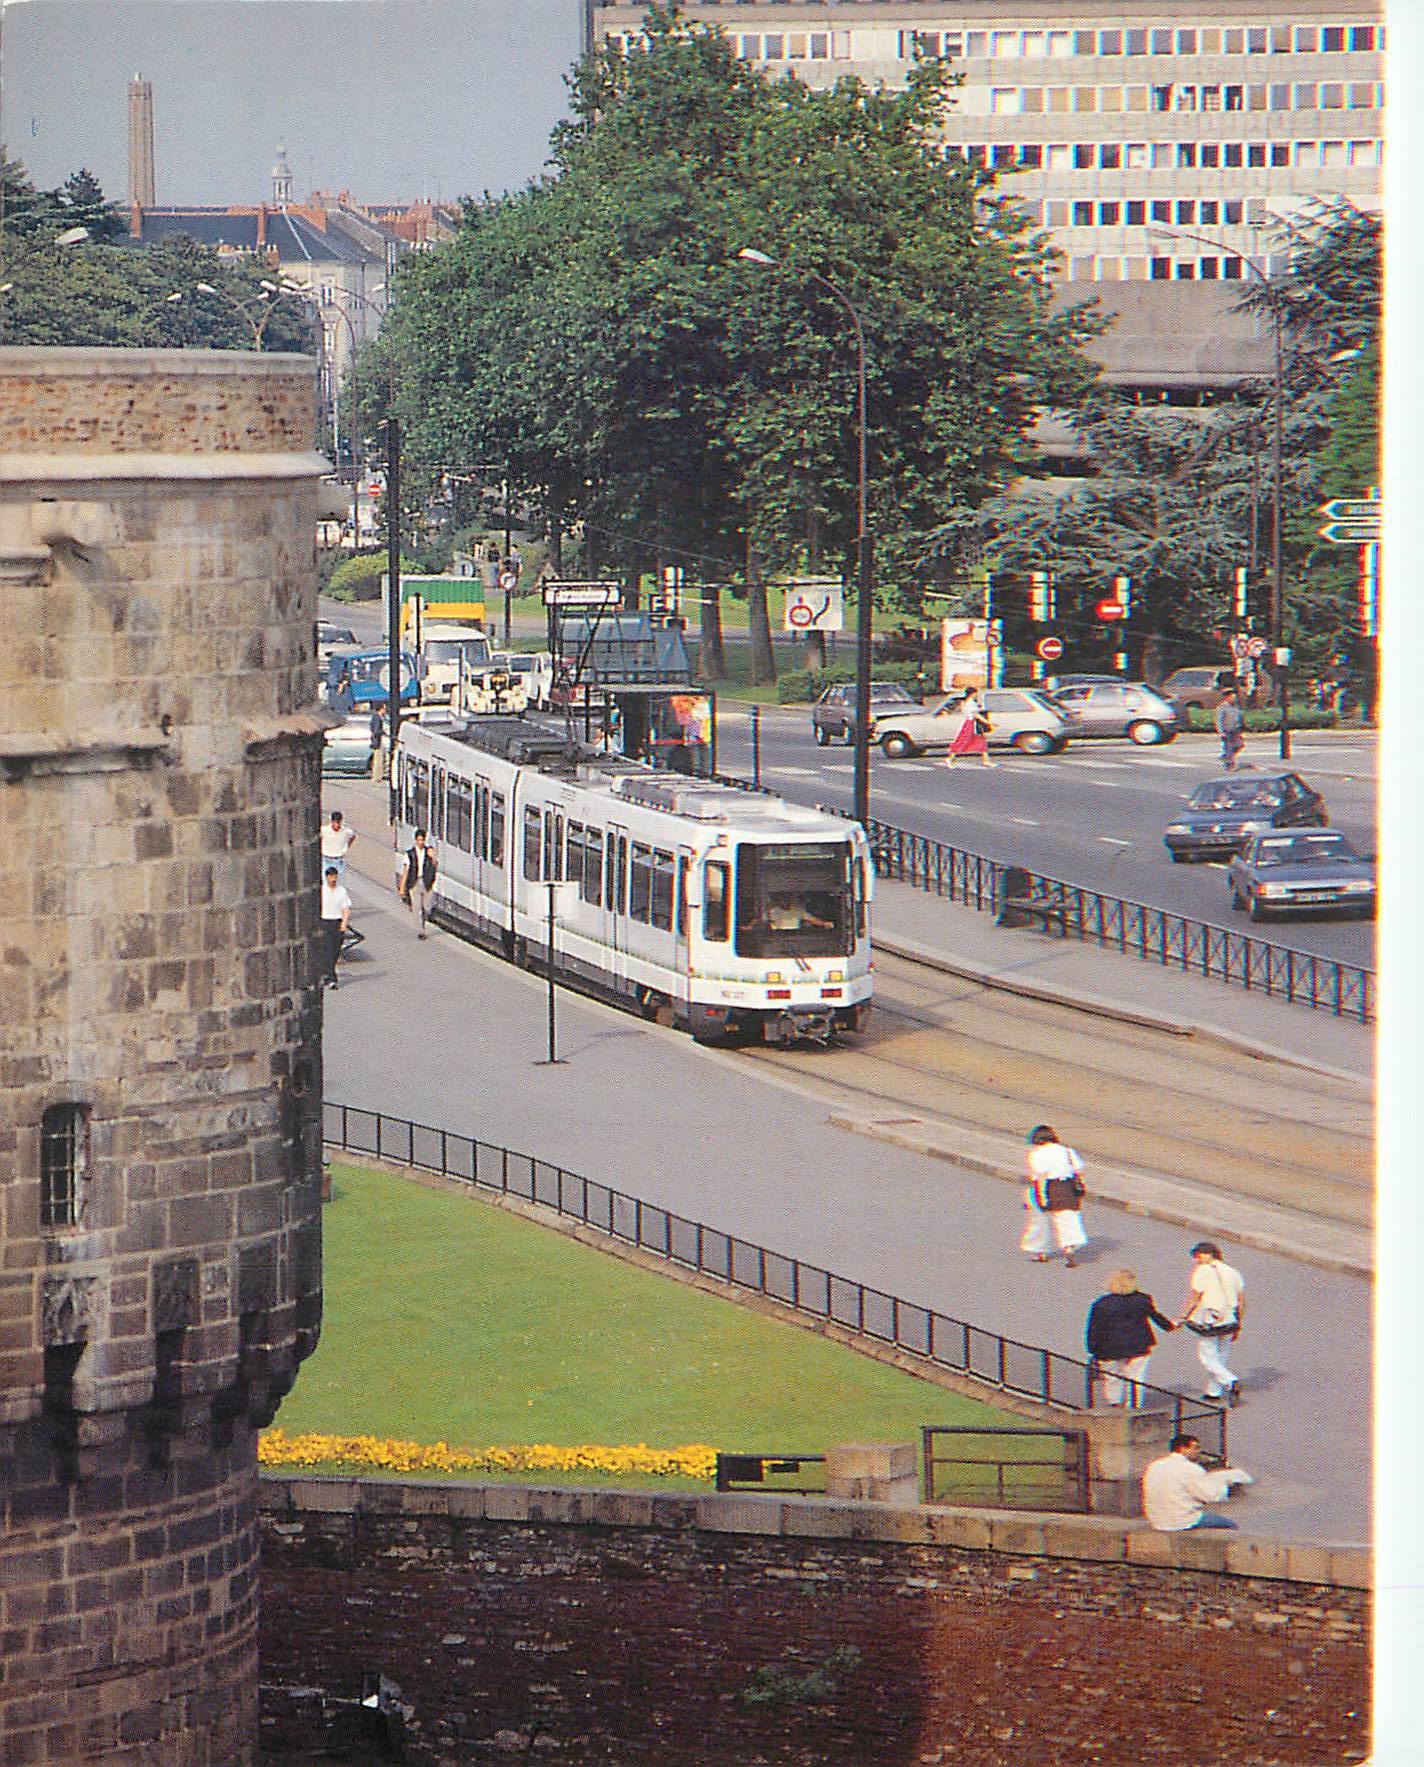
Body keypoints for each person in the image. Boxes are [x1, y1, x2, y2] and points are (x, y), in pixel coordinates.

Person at [1085, 1270, 1177, 1406]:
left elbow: (1094, 1329)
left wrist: (1093, 1350)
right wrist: (1170, 1326)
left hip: (1110, 1347)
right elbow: (1156, 1317)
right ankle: (1134, 1405)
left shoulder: (1102, 1304)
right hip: (1138, 1344)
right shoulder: (1142, 1299)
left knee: (1112, 1377)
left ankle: (1114, 1403)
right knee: (1136, 1378)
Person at [1177, 1241, 1246, 1406]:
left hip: (1210, 1320)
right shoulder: (1233, 1272)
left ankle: (1230, 1381)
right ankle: (1213, 1391)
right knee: (1221, 1356)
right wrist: (1239, 1322)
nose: (1197, 1261)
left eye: (1198, 1257)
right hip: (1230, 1319)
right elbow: (1241, 1300)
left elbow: (1194, 1296)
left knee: (1207, 1356)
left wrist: (1182, 1316)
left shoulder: (1203, 1271)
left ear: (1207, 1254)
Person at [1142, 1433, 1253, 1532]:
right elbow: (1209, 1495)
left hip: (1156, 1520)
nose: (1198, 1451)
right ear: (1182, 1449)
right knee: (1230, 1525)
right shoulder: (1190, 1468)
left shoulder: (1155, 1465)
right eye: (1195, 1448)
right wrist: (1225, 1485)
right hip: (1180, 1520)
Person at [1020, 1124, 1088, 1267]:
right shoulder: (1067, 1151)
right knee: (1067, 1218)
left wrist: (1042, 1197)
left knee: (1039, 1220)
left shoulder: (1036, 1154)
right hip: (1065, 1188)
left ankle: (1039, 1250)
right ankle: (1069, 1246)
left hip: (1043, 1188)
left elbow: (1038, 1175)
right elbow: (1079, 1168)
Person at [399, 829, 439, 938]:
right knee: (416, 908)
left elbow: (435, 865)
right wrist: (402, 888)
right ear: (416, 840)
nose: (421, 842)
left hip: (427, 882)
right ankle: (421, 931)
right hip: (414, 882)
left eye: (423, 840)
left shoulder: (429, 852)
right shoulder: (410, 854)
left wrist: (433, 857)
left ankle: (424, 923)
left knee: (427, 908)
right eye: (419, 840)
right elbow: (406, 871)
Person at [319, 865, 352, 989]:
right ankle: (332, 978)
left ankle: (326, 973)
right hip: (325, 921)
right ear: (327, 877)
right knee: (327, 950)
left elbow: (346, 908)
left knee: (335, 951)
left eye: (335, 876)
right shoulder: (322, 890)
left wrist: (344, 923)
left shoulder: (341, 890)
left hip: (337, 922)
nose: (333, 879)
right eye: (331, 877)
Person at [944, 689, 994, 769]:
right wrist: (988, 723)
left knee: (981, 741)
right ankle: (950, 758)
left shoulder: (968, 702)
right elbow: (976, 715)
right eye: (975, 693)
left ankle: (986, 760)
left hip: (971, 723)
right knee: (963, 741)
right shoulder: (971, 703)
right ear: (972, 694)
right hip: (970, 724)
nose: (976, 695)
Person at [1214, 686, 1245, 771]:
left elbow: (1239, 717)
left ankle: (1227, 757)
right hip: (1227, 730)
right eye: (1231, 697)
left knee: (1239, 745)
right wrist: (1221, 731)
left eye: (1234, 697)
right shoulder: (1222, 707)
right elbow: (1219, 720)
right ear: (1227, 697)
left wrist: (1241, 726)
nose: (1233, 699)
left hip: (1236, 730)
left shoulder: (1236, 707)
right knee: (1229, 747)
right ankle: (1229, 763)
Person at [320, 809, 356, 882]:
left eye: (339, 822)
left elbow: (353, 836)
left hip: (339, 860)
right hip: (326, 859)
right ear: (332, 821)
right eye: (335, 822)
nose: (337, 825)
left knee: (338, 882)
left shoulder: (346, 831)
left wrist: (346, 847)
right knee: (325, 882)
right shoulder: (324, 830)